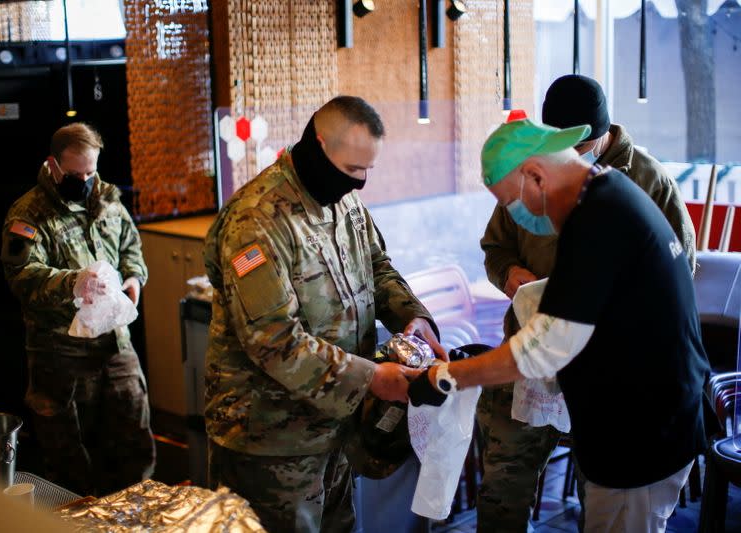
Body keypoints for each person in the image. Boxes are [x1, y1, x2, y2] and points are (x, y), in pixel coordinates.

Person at [410, 119, 710, 532]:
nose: (519, 215)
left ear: (535, 176)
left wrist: (447, 376)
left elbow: (542, 349)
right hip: (643, 422)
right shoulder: (607, 193)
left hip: (642, 436)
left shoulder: (599, 219)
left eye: (512, 203)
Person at [203, 95, 444, 533]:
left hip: (334, 429)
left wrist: (415, 318)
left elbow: (378, 267)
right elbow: (274, 341)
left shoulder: (342, 199)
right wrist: (372, 377)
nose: (361, 182)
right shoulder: (256, 220)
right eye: (354, 170)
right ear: (319, 146)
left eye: (369, 169)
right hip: (271, 441)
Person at [475, 74, 696, 531]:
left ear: (600, 136)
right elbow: (495, 249)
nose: (568, 160)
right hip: (542, 354)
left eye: (580, 147)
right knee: (504, 480)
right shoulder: (528, 174)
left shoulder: (641, 184)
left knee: (604, 496)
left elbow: (675, 276)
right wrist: (511, 275)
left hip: (611, 376)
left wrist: (448, 377)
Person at [1, 122, 154, 496]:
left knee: (135, 445)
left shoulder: (106, 199)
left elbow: (131, 247)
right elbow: (20, 275)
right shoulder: (28, 214)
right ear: (53, 165)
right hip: (60, 356)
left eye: (91, 171)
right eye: (75, 173)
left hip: (115, 345)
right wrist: (72, 281)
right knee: (71, 462)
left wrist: (134, 279)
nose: (85, 180)